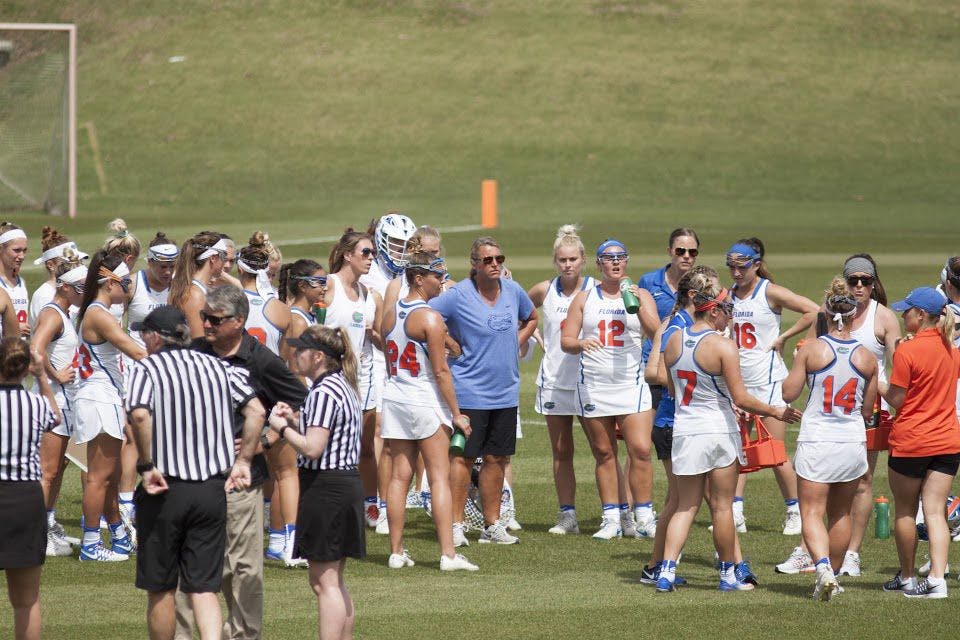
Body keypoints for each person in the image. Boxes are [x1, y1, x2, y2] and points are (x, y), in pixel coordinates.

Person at [174, 286, 308, 638]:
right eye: (204, 317)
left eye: (215, 320)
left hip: (241, 481)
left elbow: (298, 401)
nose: (206, 324)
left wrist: (267, 439)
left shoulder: (261, 360)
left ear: (239, 322)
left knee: (243, 569)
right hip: (195, 477)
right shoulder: (196, 352)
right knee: (192, 566)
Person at [126, 305, 265, 640]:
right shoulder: (218, 367)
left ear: (155, 337)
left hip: (165, 488)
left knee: (161, 587)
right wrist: (244, 460)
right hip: (211, 490)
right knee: (203, 587)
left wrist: (146, 465)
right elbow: (257, 410)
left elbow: (141, 416)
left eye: (145, 333)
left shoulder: (146, 368)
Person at [657, 280, 801, 592]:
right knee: (722, 507)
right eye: (729, 309)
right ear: (715, 311)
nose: (731, 316)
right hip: (718, 431)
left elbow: (671, 389)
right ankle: (727, 574)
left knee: (685, 507)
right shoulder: (723, 346)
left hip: (685, 431)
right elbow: (742, 398)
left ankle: (666, 571)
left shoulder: (674, 340)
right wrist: (775, 411)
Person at [431, 236, 537, 545]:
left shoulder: (513, 290)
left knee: (497, 459)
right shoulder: (458, 295)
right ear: (474, 265)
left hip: (506, 391)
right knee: (464, 458)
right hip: (469, 391)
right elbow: (424, 316)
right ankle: (455, 525)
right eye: (488, 260)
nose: (495, 265)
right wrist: (449, 343)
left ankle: (492, 524)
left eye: (499, 259)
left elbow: (531, 317)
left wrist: (518, 339)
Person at [781, 278, 878, 601]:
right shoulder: (867, 358)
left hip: (817, 438)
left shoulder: (812, 350)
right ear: (853, 315)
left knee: (811, 511)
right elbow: (867, 409)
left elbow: (788, 393)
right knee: (841, 514)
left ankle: (822, 568)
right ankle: (832, 575)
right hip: (851, 440)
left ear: (828, 313)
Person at [381, 252, 478, 571]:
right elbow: (441, 372)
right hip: (424, 400)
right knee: (439, 477)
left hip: (395, 396)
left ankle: (396, 552)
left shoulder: (392, 310)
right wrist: (457, 413)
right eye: (438, 276)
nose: (443, 282)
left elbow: (387, 353)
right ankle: (448, 554)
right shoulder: (430, 318)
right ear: (419, 278)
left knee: (399, 476)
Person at [267, 326, 366, 640]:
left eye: (301, 350)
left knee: (323, 583)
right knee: (333, 580)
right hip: (344, 485)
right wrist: (295, 421)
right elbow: (324, 432)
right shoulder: (342, 385)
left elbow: (312, 447)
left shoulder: (323, 391)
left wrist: (280, 428)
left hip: (326, 489)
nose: (295, 355)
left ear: (318, 356)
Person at [560, 238, 658, 539]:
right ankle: (612, 517)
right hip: (595, 384)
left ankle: (644, 514)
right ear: (598, 263)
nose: (615, 262)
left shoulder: (640, 293)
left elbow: (656, 332)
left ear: (626, 262)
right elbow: (566, 340)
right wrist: (580, 343)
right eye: (608, 258)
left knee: (640, 449)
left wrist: (637, 302)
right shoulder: (585, 298)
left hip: (631, 383)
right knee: (604, 452)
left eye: (621, 257)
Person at [726, 238, 818, 535]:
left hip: (767, 382)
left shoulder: (769, 291)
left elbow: (813, 311)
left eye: (741, 267)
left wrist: (785, 336)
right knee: (738, 449)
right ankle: (735, 509)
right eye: (732, 267)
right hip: (737, 383)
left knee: (774, 451)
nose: (736, 273)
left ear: (755, 264)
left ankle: (795, 510)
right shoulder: (728, 295)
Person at [880, 287, 960, 598]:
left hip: (911, 442)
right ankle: (938, 580)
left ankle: (909, 577)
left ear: (921, 316)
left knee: (904, 511)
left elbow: (897, 399)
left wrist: (877, 381)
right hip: (947, 442)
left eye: (908, 311)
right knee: (936, 511)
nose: (903, 314)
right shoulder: (951, 350)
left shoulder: (908, 351)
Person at [640, 265, 718, 584]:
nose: (718, 297)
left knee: (684, 499)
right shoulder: (674, 326)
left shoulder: (695, 326)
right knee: (684, 500)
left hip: (685, 422)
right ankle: (727, 563)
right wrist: (686, 383)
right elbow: (652, 372)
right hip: (676, 421)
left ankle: (657, 565)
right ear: (694, 294)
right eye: (712, 291)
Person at [831, 254, 901, 577]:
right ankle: (822, 549)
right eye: (853, 280)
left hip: (870, 412)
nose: (859, 286)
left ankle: (852, 554)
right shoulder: (830, 312)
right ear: (844, 281)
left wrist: (881, 385)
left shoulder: (883, 318)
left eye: (866, 281)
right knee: (829, 480)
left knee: (862, 480)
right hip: (832, 410)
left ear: (874, 283)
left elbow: (901, 368)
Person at [75, 251, 147, 562]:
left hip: (105, 396)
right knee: (99, 477)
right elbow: (134, 350)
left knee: (111, 475)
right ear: (110, 282)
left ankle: (117, 533)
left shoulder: (101, 310)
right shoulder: (98, 313)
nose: (129, 289)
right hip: (98, 397)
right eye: (126, 282)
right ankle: (91, 544)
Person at [526, 224, 594, 535]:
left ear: (583, 259)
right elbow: (521, 311)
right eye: (562, 260)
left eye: (573, 259)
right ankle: (567, 515)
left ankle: (620, 513)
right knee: (562, 451)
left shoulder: (595, 289)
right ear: (555, 261)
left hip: (592, 380)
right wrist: (533, 333)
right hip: (554, 379)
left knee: (603, 450)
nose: (567, 265)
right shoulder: (544, 290)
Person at [322, 230, 382, 527]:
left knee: (364, 447)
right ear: (348, 255)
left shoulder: (367, 294)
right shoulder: (328, 285)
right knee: (329, 447)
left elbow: (372, 339)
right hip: (327, 382)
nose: (371, 258)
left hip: (357, 380)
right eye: (365, 253)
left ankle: (371, 506)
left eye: (373, 253)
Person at [360, 213, 416, 535]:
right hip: (373, 361)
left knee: (395, 436)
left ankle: (390, 498)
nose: (399, 251)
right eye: (395, 244)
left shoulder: (408, 277)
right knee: (377, 431)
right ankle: (378, 504)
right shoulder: (371, 276)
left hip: (398, 361)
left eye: (405, 246)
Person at [0, 337, 57, 640]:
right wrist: (42, 376)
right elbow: (56, 417)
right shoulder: (36, 404)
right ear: (25, 368)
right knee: (26, 601)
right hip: (25, 498)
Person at [29, 257, 87, 557]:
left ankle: (46, 525)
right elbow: (35, 351)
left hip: (64, 400)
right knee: (47, 472)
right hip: (53, 400)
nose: (83, 293)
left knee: (58, 467)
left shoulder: (65, 312)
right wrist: (55, 376)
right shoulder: (53, 315)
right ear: (65, 288)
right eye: (80, 288)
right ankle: (34, 534)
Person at [639, 228, 700, 411]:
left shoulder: (703, 284)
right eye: (680, 251)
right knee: (653, 431)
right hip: (655, 364)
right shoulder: (649, 282)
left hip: (688, 363)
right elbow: (640, 325)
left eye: (692, 252)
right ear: (670, 251)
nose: (686, 256)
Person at [168, 231, 230, 339]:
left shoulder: (197, 289)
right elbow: (199, 340)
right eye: (224, 256)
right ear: (213, 258)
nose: (226, 262)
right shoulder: (195, 295)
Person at [238, 231, 291, 355]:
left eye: (274, 275)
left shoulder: (231, 299)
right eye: (268, 274)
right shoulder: (278, 304)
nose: (270, 279)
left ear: (241, 270)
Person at [27, 225, 88, 327]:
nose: (76, 266)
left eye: (78, 261)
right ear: (50, 265)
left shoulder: (75, 289)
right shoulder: (44, 296)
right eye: (68, 262)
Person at [0, 222, 30, 337]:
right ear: (1, 249)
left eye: (24, 250)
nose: (22, 256)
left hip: (18, 352)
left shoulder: (21, 282)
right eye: (17, 250)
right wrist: (14, 328)